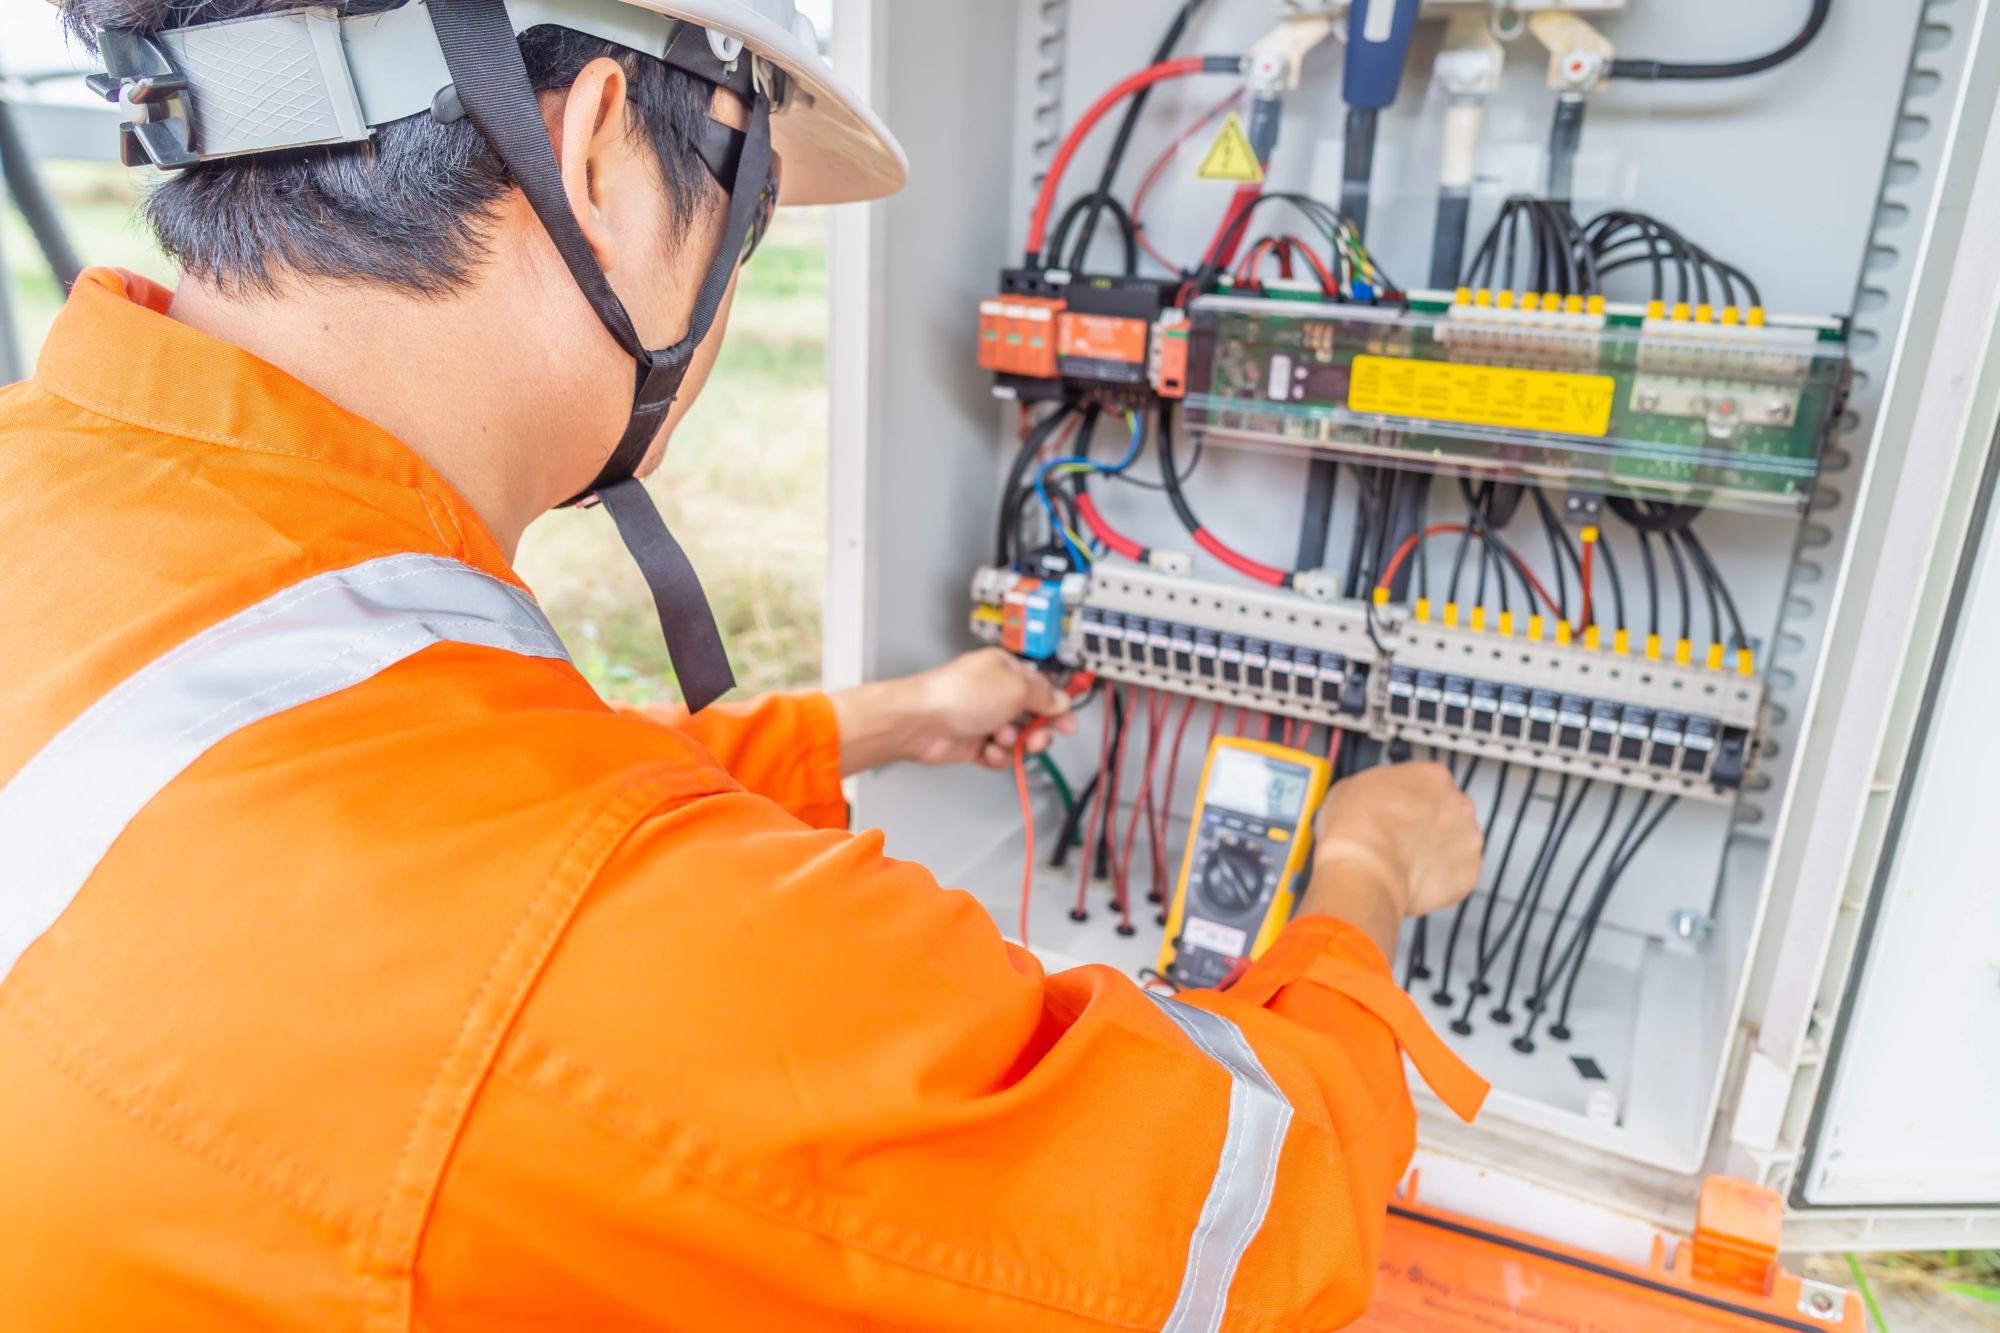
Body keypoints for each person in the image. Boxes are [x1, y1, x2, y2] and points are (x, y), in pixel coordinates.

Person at [0, 0, 1488, 1326]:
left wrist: (882, 721)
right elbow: (1236, 1233)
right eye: (752, 203)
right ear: (597, 153)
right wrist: (1357, 874)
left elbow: (361, 793)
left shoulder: (63, 495)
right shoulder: (580, 957)